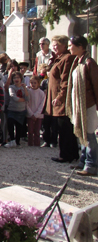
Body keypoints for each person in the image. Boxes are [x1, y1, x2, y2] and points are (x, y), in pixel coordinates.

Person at [66, 36, 98, 176]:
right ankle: (83, 161)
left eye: (70, 45)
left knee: (89, 135)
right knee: (82, 135)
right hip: (79, 104)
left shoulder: (89, 63)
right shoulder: (78, 62)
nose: (69, 48)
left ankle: (91, 165)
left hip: (88, 104)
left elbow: (96, 85)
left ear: (80, 46)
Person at [45, 35, 79, 163]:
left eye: (57, 45)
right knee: (64, 127)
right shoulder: (58, 58)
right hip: (56, 97)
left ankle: (66, 154)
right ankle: (72, 153)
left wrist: (60, 97)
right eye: (53, 45)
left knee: (64, 127)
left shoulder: (67, 58)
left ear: (64, 45)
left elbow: (65, 81)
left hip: (62, 99)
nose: (54, 47)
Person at [5, 72, 29, 148]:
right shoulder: (11, 87)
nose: (16, 79)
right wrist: (23, 99)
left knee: (19, 127)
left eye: (18, 77)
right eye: (15, 78)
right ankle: (12, 140)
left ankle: (17, 142)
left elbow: (28, 98)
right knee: (10, 124)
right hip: (12, 109)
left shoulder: (24, 88)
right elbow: (13, 97)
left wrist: (24, 88)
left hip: (21, 110)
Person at [26, 76, 45, 147]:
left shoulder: (41, 93)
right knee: (30, 130)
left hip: (39, 115)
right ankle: (30, 144)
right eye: (31, 83)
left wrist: (36, 114)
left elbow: (42, 105)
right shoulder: (28, 92)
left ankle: (37, 144)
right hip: (30, 114)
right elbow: (26, 104)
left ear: (38, 83)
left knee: (37, 131)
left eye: (35, 83)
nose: (33, 84)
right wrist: (31, 114)